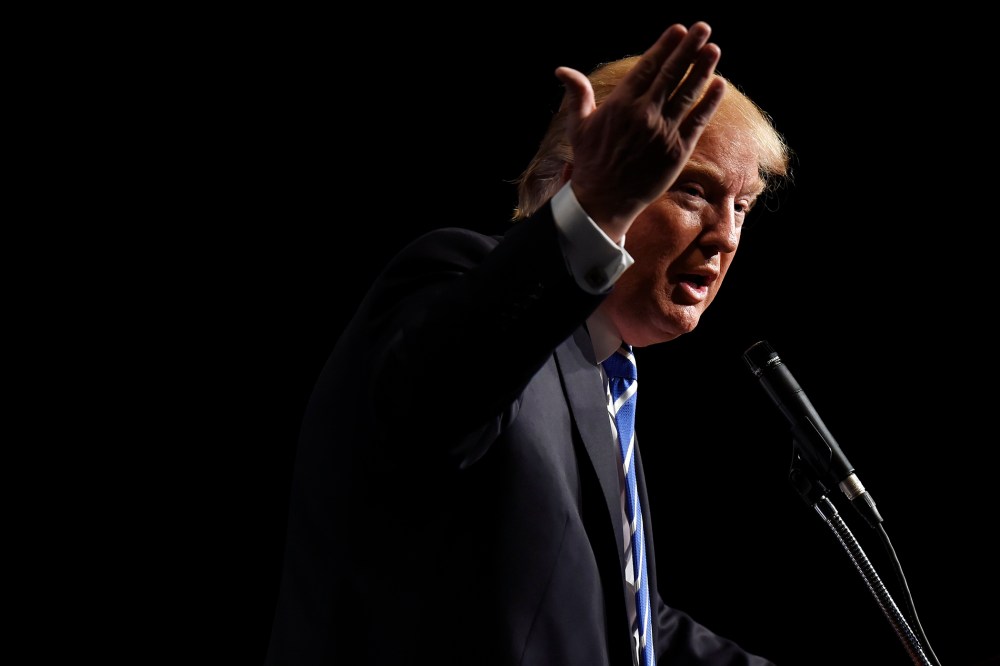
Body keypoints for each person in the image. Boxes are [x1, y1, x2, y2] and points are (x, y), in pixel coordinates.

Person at [265, 20, 791, 666]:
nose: (726, 235)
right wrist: (594, 212)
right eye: (691, 190)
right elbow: (431, 402)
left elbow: (631, 625)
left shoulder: (602, 375)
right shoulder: (463, 286)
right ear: (585, 172)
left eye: (743, 206)